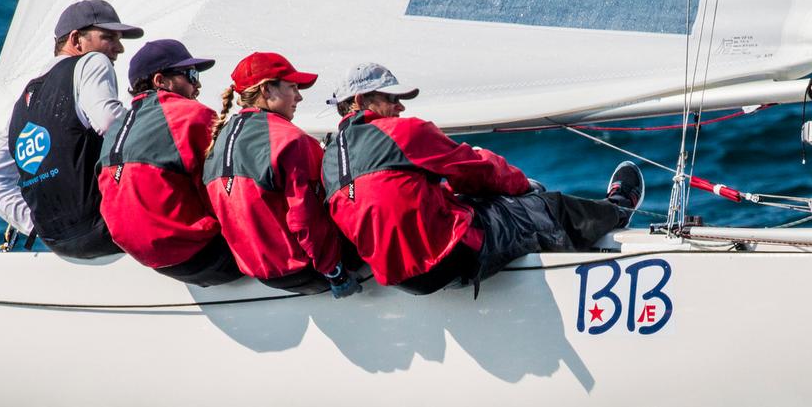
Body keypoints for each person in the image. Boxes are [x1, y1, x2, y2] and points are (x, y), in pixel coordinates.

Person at [321, 63, 644, 296]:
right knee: (546, 208)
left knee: (468, 201)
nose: (400, 105)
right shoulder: (404, 132)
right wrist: (522, 188)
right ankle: (618, 208)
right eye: (391, 98)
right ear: (362, 101)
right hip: (448, 258)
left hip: (397, 279)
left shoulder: (329, 160)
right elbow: (476, 169)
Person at [0, 0, 143, 257]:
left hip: (58, 243)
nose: (119, 48)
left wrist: (39, 227)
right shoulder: (92, 62)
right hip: (106, 231)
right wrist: (164, 132)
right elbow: (109, 122)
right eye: (109, 37)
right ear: (76, 40)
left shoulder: (24, 100)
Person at [202, 52, 360, 298]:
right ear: (266, 90)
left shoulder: (220, 139)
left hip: (258, 271)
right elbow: (306, 219)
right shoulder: (291, 140)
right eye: (293, 87)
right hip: (302, 269)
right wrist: (335, 272)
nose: (299, 96)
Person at [96, 39, 242, 286]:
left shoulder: (117, 126)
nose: (197, 84)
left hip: (144, 255)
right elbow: (227, 190)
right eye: (190, 75)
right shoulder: (193, 115)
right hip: (200, 254)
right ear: (160, 81)